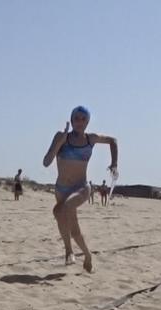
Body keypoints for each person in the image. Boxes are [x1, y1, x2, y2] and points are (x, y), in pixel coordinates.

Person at [43, 106, 118, 272]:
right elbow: (46, 162)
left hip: (81, 188)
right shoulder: (61, 137)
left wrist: (114, 163)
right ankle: (87, 255)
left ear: (88, 121)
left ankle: (68, 251)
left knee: (61, 210)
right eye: (76, 118)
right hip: (61, 189)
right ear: (71, 119)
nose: (80, 122)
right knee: (74, 228)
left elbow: (113, 141)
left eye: (84, 119)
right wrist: (60, 142)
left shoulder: (90, 139)